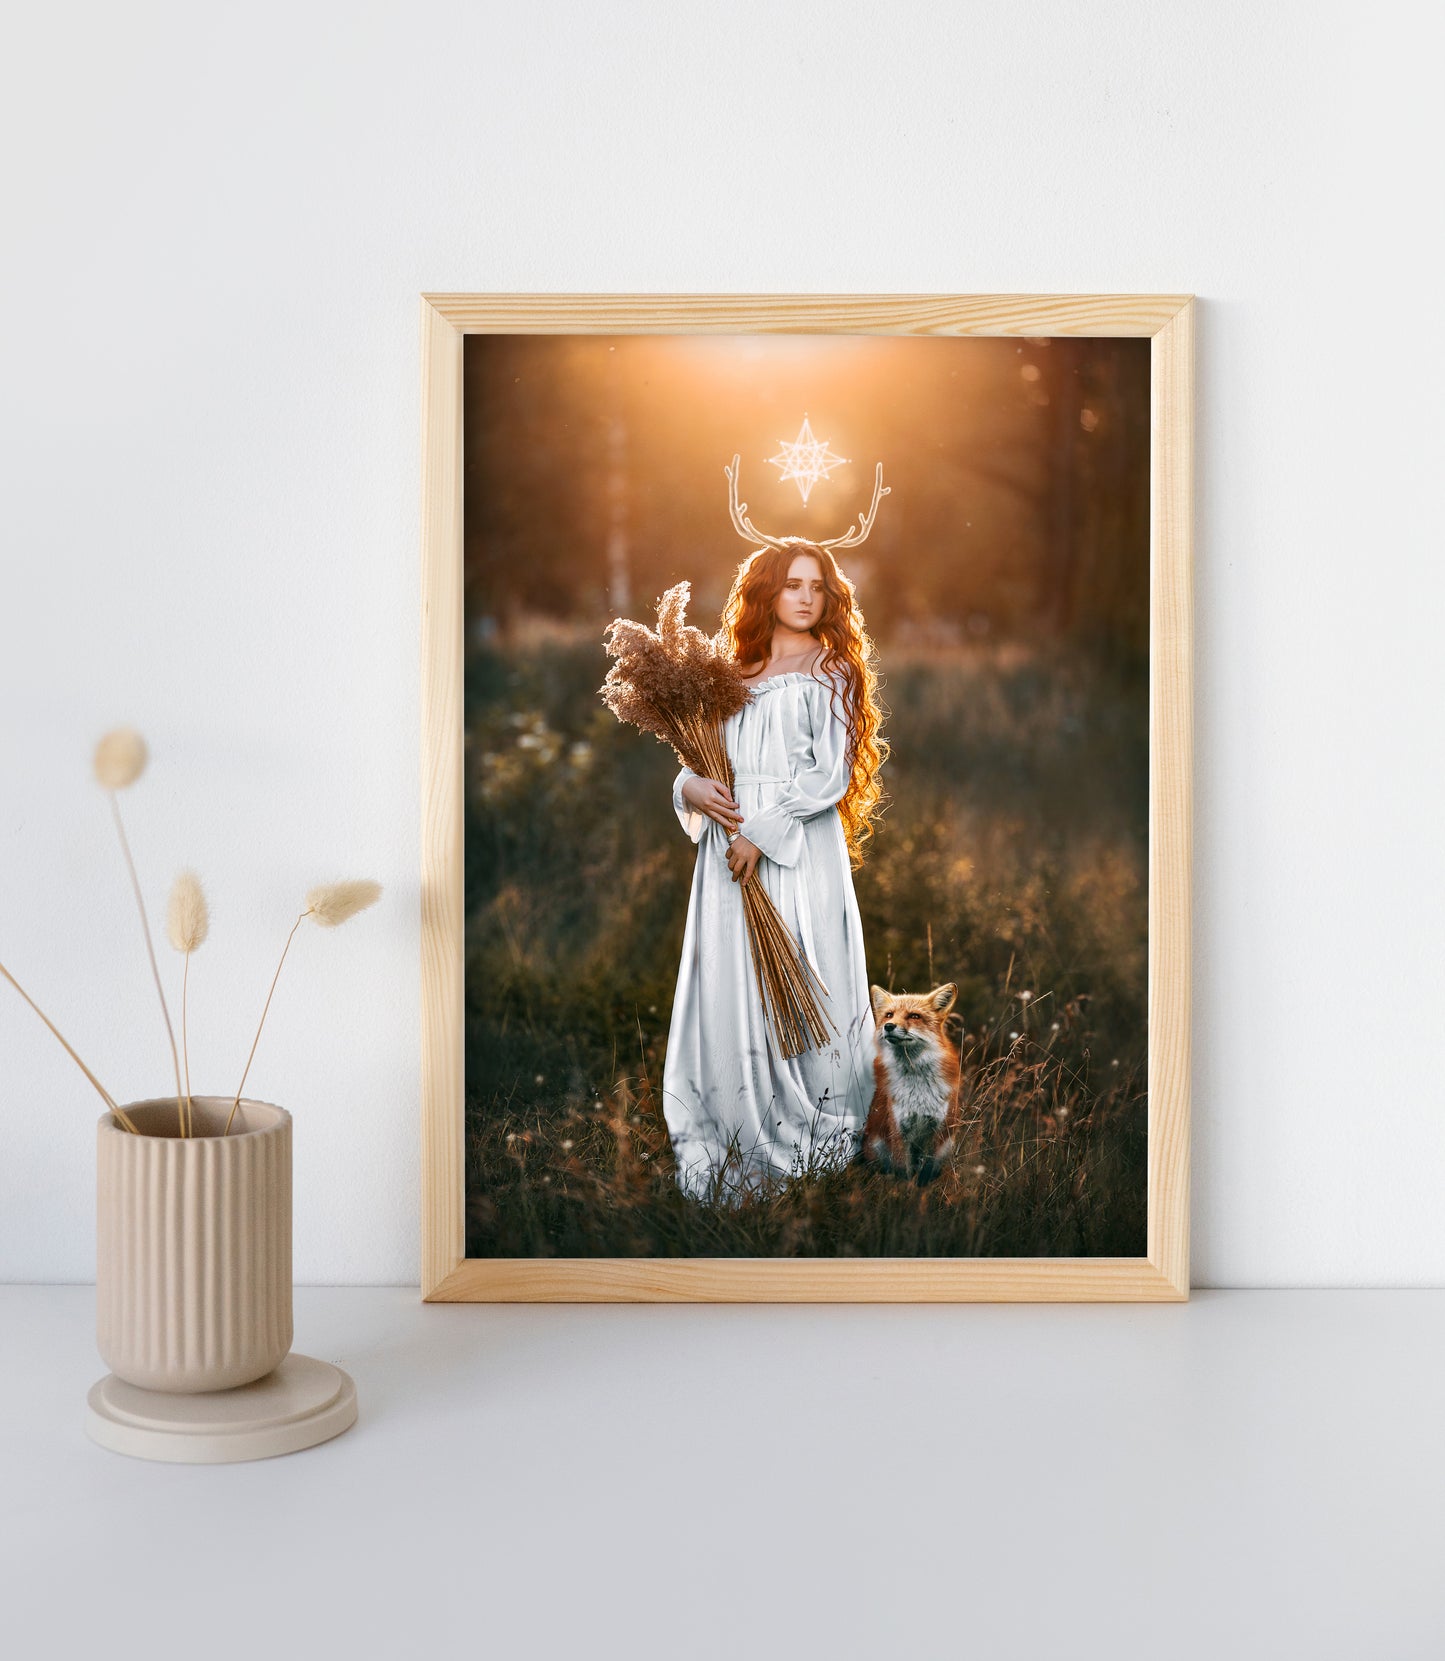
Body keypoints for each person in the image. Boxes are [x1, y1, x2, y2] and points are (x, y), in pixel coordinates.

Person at [661, 539, 888, 1200]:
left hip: (792, 849)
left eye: (816, 585)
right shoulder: (730, 671)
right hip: (723, 853)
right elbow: (702, 757)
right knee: (732, 983)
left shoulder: (833, 670)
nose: (805, 596)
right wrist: (686, 789)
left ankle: (811, 1118)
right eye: (791, 584)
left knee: (803, 973)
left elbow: (830, 773)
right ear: (765, 591)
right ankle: (732, 1115)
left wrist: (760, 833)